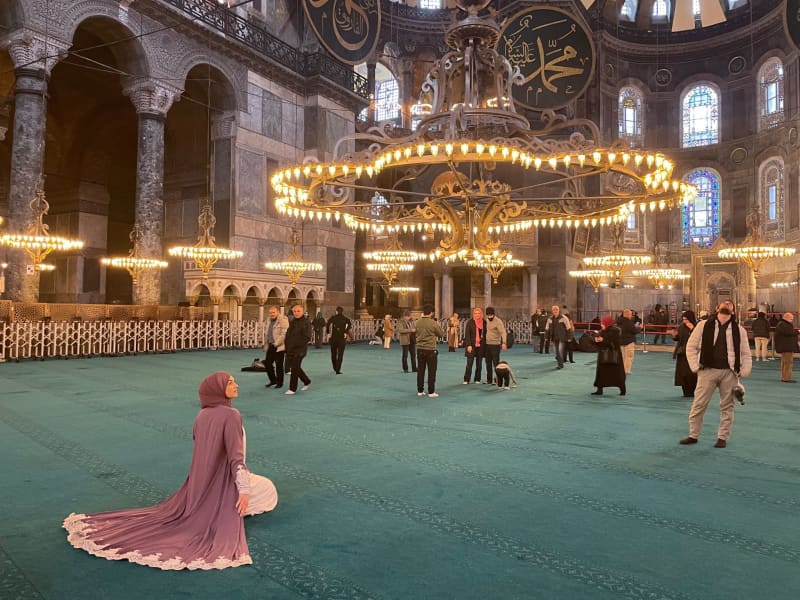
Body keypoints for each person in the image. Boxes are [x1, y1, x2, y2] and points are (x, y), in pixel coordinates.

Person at [64, 372, 278, 570]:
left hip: (198, 484)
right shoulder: (231, 414)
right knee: (268, 489)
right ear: (219, 389)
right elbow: (236, 459)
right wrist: (243, 489)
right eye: (230, 382)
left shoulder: (202, 415)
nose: (236, 385)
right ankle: (235, 504)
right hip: (227, 480)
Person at [681, 301, 752, 448]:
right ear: (717, 308)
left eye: (730, 303)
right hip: (707, 371)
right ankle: (693, 435)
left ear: (733, 311)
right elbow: (691, 347)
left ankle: (722, 438)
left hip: (729, 373)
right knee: (699, 404)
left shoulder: (739, 330)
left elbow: (745, 353)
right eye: (724, 303)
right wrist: (695, 367)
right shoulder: (703, 325)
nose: (727, 304)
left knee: (727, 406)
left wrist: (744, 371)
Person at [591, 316, 626, 396]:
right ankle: (599, 390)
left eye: (602, 323)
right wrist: (596, 340)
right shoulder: (603, 331)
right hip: (603, 356)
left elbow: (614, 343)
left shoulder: (615, 331)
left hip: (613, 356)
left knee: (617, 374)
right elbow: (597, 338)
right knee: (601, 373)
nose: (601, 325)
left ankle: (622, 390)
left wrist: (603, 340)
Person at [415, 304, 444, 397]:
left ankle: (420, 390)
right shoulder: (433, 323)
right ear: (431, 313)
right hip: (430, 349)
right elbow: (441, 334)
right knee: (431, 371)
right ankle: (431, 391)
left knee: (420, 371)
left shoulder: (417, 322)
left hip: (419, 348)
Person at [284, 304, 312, 395]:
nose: (296, 313)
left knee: (295, 368)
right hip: (290, 349)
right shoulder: (292, 322)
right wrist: (287, 346)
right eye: (294, 311)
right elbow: (288, 335)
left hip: (300, 350)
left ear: (303, 311)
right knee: (295, 367)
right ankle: (307, 381)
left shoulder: (306, 322)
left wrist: (296, 346)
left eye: (298, 311)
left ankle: (292, 389)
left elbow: (307, 337)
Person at [671, 310, 698, 397]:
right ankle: (685, 391)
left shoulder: (697, 327)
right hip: (682, 353)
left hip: (692, 354)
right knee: (682, 374)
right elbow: (678, 338)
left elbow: (699, 338)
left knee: (692, 374)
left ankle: (693, 391)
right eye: (683, 319)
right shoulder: (681, 327)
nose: (684, 321)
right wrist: (674, 336)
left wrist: (692, 329)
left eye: (686, 319)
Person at [264, 305, 289, 389]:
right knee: (267, 363)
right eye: (270, 313)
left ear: (278, 312)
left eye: (273, 312)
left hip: (279, 346)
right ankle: (273, 380)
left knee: (279, 365)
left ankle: (279, 382)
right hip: (271, 345)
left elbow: (284, 334)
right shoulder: (269, 320)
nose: (272, 314)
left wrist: (277, 343)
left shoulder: (283, 320)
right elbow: (268, 333)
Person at [463, 307, 487, 384]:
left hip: (481, 346)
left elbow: (486, 335)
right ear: (473, 314)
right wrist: (468, 345)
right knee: (469, 364)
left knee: (479, 364)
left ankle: (477, 379)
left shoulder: (484, 322)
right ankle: (466, 379)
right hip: (471, 346)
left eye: (478, 313)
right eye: (475, 313)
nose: (477, 315)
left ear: (481, 314)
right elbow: (467, 335)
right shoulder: (470, 322)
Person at [484, 307, 507, 384]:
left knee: (496, 364)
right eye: (488, 315)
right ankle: (489, 380)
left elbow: (503, 332)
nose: (489, 317)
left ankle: (497, 379)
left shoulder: (498, 321)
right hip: (487, 345)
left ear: (494, 314)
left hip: (495, 345)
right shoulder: (486, 321)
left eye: (491, 315)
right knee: (488, 363)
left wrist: (504, 342)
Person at [326, 306, 351, 374]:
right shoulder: (345, 318)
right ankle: (338, 369)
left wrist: (328, 332)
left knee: (333, 354)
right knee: (340, 354)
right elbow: (349, 324)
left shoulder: (333, 318)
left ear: (336, 311)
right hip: (341, 338)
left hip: (334, 338)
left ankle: (334, 367)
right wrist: (345, 331)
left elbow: (327, 324)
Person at [545, 305, 572, 369]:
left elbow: (569, 328)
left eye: (556, 309)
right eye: (554, 310)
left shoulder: (564, 318)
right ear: (552, 311)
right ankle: (561, 360)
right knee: (556, 352)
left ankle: (560, 365)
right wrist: (546, 337)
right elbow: (547, 329)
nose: (555, 311)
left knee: (560, 351)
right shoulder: (550, 319)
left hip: (562, 338)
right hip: (554, 338)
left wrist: (569, 337)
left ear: (559, 310)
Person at [774, 312, 798, 383]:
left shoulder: (782, 324)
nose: (792, 320)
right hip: (787, 346)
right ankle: (786, 378)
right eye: (791, 319)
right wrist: (797, 332)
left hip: (785, 346)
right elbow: (789, 332)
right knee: (788, 363)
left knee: (785, 362)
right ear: (786, 318)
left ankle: (784, 377)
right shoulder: (783, 324)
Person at [617, 309, 640, 375]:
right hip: (629, 342)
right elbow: (635, 331)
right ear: (628, 315)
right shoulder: (629, 322)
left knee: (623, 357)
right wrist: (639, 328)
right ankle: (627, 370)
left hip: (620, 342)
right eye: (630, 314)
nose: (631, 316)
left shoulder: (618, 322)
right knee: (629, 356)